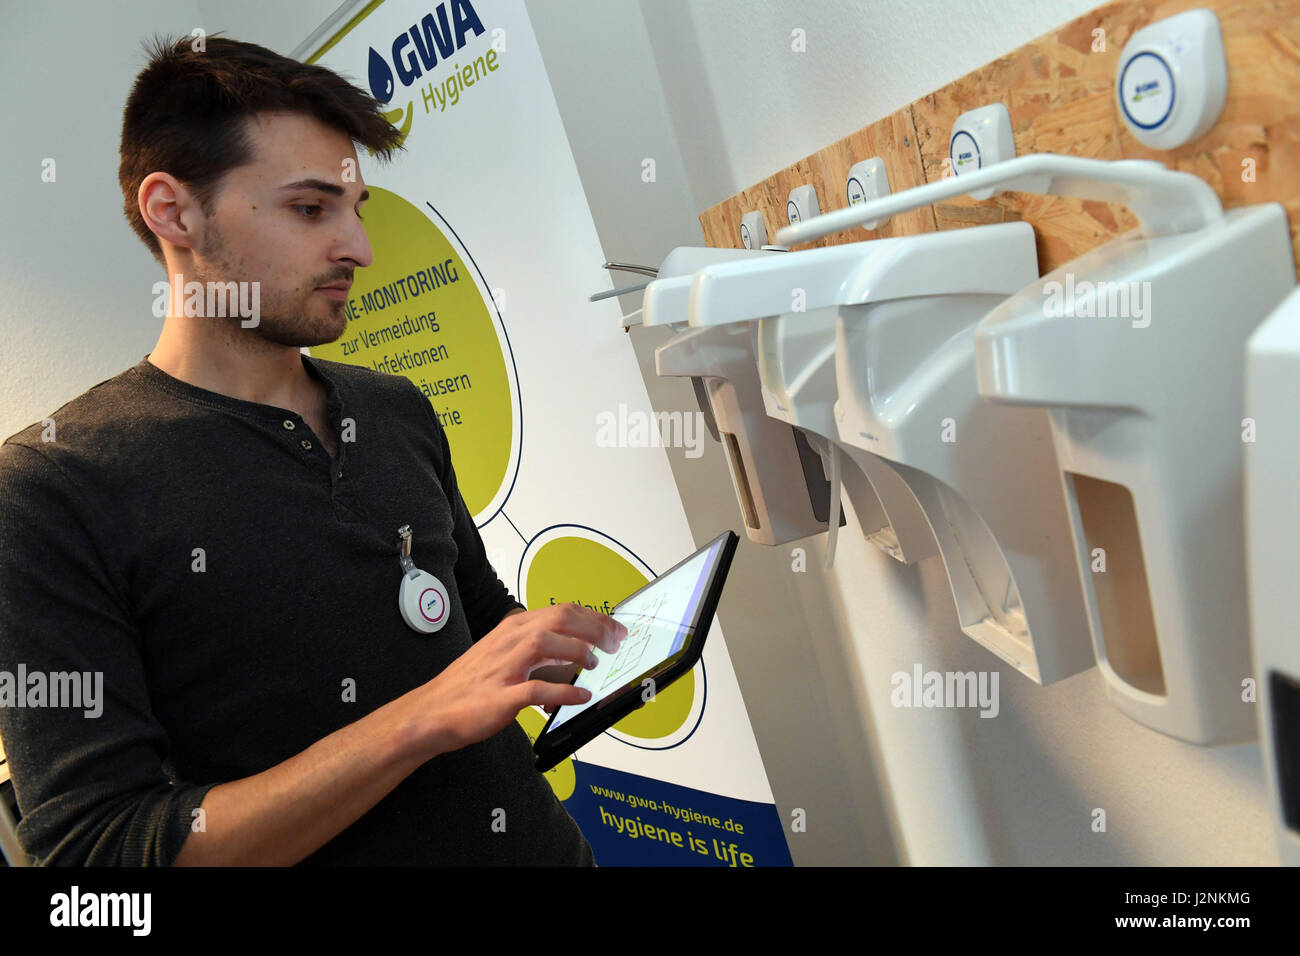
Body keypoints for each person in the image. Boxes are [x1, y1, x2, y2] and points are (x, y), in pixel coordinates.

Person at [0, 33, 624, 866]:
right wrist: (421, 719)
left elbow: (472, 613)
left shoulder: (393, 407)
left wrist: (572, 647)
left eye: (355, 208)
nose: (357, 248)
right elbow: (98, 854)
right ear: (173, 211)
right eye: (309, 209)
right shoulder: (50, 488)